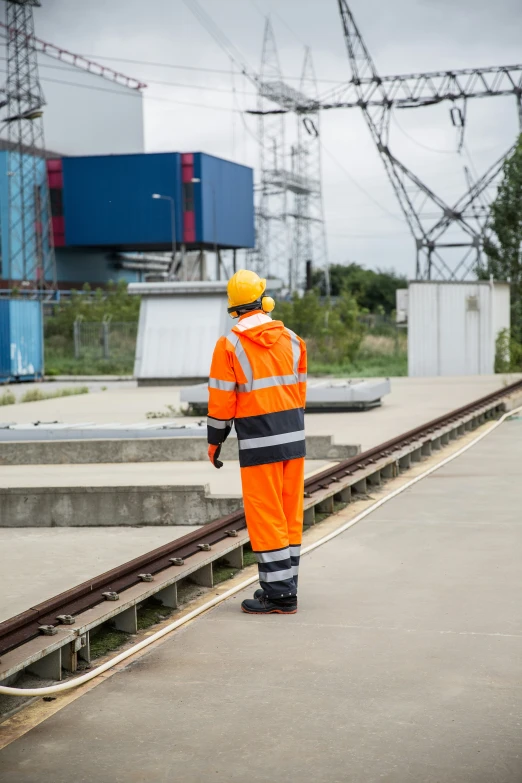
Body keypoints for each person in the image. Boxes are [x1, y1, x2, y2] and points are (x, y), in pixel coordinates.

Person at [207, 269, 307, 615]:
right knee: (289, 512)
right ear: (264, 300)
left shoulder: (230, 344)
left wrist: (214, 440)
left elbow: (222, 399)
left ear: (233, 307)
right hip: (293, 438)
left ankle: (279, 595)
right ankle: (287, 584)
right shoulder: (293, 340)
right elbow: (300, 392)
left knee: (266, 514)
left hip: (259, 441)